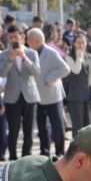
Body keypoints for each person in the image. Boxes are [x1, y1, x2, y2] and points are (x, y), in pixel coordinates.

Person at [0, 25, 41, 160]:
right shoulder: (4, 54)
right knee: (13, 129)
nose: (13, 40)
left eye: (15, 37)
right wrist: (10, 59)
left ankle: (26, 157)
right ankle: (12, 157)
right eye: (10, 38)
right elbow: (2, 73)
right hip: (12, 96)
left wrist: (24, 58)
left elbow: (36, 72)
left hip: (29, 95)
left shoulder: (31, 53)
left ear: (22, 38)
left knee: (29, 130)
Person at [27, 28, 70, 156]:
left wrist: (50, 78)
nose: (27, 41)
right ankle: (44, 153)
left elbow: (65, 69)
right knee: (42, 127)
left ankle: (60, 152)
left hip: (52, 96)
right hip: (37, 96)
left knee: (57, 125)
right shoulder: (30, 52)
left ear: (37, 40)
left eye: (29, 39)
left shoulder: (51, 53)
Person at [64, 33, 91, 136]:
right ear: (74, 44)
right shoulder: (69, 57)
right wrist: (79, 57)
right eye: (78, 43)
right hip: (75, 95)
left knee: (90, 122)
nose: (81, 45)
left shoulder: (89, 56)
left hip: (88, 93)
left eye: (83, 43)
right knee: (78, 124)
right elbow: (76, 70)